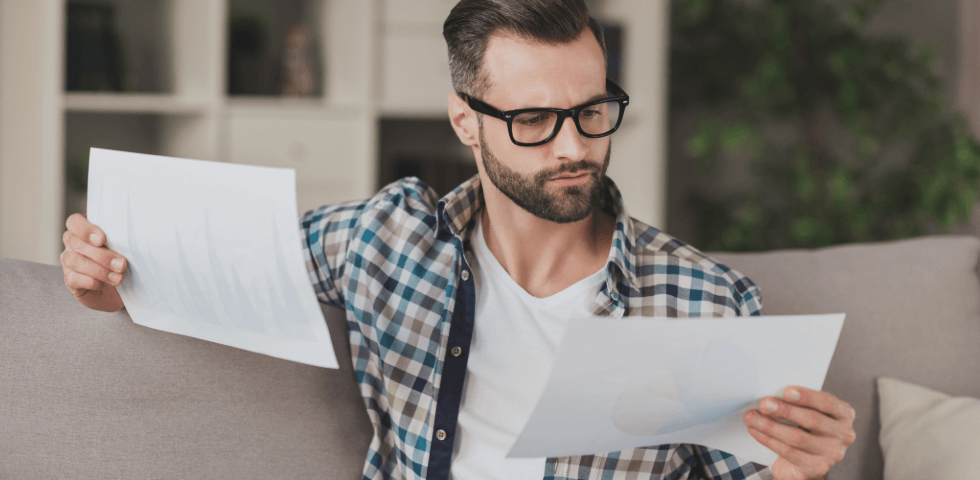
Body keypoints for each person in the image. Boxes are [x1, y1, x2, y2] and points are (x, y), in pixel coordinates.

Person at [59, 1, 856, 479]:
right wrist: (105, 279)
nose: (573, 144)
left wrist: (800, 467)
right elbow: (206, 262)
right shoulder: (382, 238)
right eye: (535, 120)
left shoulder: (703, 301)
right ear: (465, 122)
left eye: (591, 110)